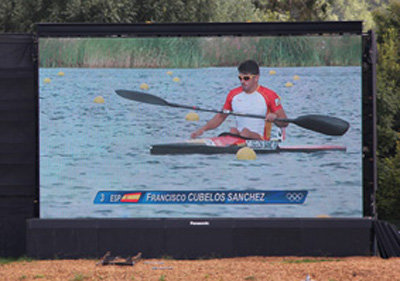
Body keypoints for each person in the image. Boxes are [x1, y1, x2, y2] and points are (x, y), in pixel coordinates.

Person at [191, 60, 288, 140]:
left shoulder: (269, 95)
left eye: (246, 78)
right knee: (232, 131)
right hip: (239, 136)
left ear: (256, 78)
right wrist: (202, 129)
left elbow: (285, 122)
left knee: (245, 132)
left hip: (261, 139)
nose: (242, 81)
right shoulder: (233, 94)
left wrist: (275, 118)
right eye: (240, 78)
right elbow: (220, 117)